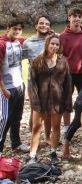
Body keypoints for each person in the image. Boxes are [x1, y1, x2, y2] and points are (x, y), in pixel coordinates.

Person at [28, 35, 72, 164]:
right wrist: (34, 102)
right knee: (36, 127)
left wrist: (68, 102)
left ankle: (53, 152)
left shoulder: (63, 61)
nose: (54, 46)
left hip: (57, 100)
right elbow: (32, 84)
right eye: (52, 44)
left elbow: (68, 83)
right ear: (47, 44)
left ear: (60, 47)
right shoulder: (37, 61)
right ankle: (32, 154)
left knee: (56, 127)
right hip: (40, 101)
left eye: (57, 44)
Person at [60, 8, 82, 138]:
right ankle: (66, 127)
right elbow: (59, 56)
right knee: (66, 101)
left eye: (79, 16)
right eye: (74, 16)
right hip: (68, 74)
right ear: (69, 17)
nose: (77, 19)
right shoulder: (62, 36)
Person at [23, 15, 54, 144]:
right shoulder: (28, 42)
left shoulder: (52, 39)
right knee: (35, 110)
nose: (44, 26)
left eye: (47, 24)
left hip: (50, 80)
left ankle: (47, 137)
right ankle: (34, 137)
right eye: (41, 23)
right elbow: (18, 59)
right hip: (34, 82)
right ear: (36, 25)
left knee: (48, 110)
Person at [0, 19, 29, 155]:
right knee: (5, 119)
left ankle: (16, 143)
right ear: (8, 28)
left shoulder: (19, 42)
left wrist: (51, 34)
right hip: (7, 87)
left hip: (19, 85)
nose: (17, 31)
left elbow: (34, 40)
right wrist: (3, 88)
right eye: (14, 29)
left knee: (17, 116)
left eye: (19, 29)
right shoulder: (1, 44)